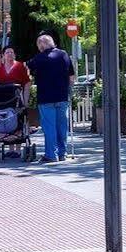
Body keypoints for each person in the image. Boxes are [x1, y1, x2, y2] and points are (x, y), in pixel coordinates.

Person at [28, 33, 74, 163]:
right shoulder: (64, 54)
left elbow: (27, 69)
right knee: (61, 127)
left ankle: (51, 155)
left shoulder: (39, 58)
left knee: (49, 127)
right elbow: (71, 77)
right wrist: (68, 90)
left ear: (41, 45)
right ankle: (62, 153)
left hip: (46, 98)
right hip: (62, 96)